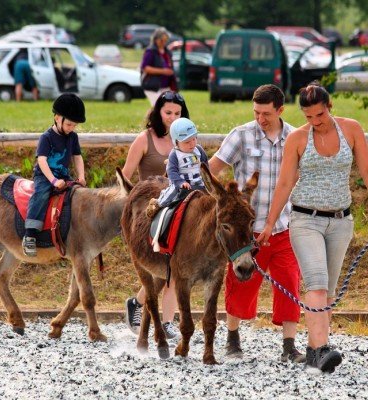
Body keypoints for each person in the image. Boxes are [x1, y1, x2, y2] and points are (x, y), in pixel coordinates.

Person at [256, 82, 368, 373]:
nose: (315, 122)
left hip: (341, 221)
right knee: (316, 282)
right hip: (305, 219)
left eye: (319, 115)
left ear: (329, 107)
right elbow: (284, 183)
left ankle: (316, 348)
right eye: (308, 117)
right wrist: (270, 223)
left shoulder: (351, 130)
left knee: (328, 291)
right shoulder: (297, 139)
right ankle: (320, 350)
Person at [208, 84, 305, 363]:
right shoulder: (240, 135)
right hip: (245, 232)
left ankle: (289, 346)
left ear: (280, 110)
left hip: (283, 226)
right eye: (256, 112)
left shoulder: (296, 138)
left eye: (266, 113)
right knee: (241, 283)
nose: (260, 118)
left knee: (289, 281)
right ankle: (233, 340)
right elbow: (214, 167)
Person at [122, 90, 189, 339]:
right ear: (158, 112)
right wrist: (128, 214)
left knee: (176, 267)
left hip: (180, 210)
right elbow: (126, 177)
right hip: (150, 212)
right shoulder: (144, 140)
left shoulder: (186, 140)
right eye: (168, 112)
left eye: (178, 113)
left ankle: (168, 321)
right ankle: (139, 303)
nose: (173, 117)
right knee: (163, 267)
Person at [22, 93, 86, 257]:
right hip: (45, 176)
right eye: (69, 124)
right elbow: (42, 161)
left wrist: (81, 176)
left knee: (79, 196)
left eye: (74, 125)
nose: (71, 128)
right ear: (57, 118)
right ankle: (30, 234)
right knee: (41, 195)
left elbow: (77, 157)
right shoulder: (46, 137)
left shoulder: (73, 137)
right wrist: (53, 180)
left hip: (64, 176)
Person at [146, 117, 209, 218]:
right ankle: (157, 204)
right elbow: (171, 172)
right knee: (171, 194)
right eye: (187, 142)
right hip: (181, 184)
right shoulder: (175, 154)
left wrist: (207, 178)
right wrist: (180, 182)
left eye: (194, 139)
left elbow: (205, 165)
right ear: (176, 142)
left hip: (199, 182)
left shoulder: (199, 150)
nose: (192, 144)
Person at [140, 27, 177, 106]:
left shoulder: (167, 52)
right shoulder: (150, 51)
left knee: (165, 108)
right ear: (156, 39)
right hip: (153, 86)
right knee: (158, 107)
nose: (164, 42)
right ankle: (149, 118)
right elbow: (145, 68)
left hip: (167, 86)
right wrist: (163, 71)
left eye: (165, 40)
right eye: (162, 40)